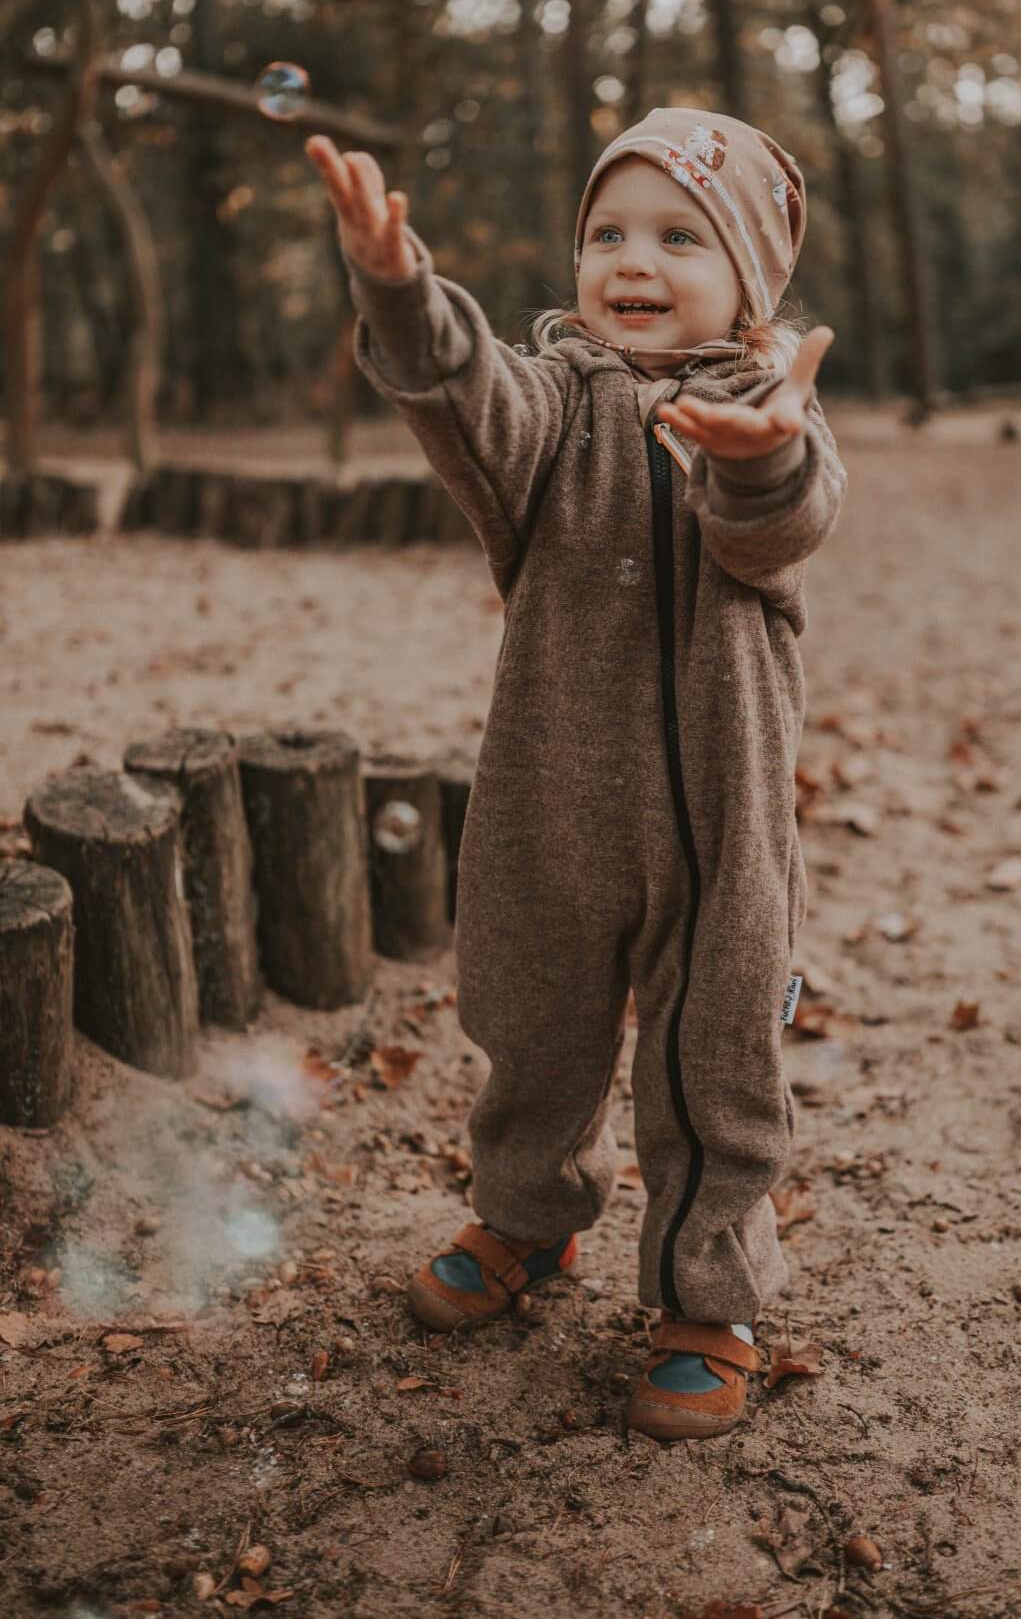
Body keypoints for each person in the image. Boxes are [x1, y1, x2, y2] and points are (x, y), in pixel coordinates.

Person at [305, 107, 847, 1443]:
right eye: (606, 232)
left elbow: (783, 523)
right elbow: (458, 387)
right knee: (532, 1026)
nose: (630, 259)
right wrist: (396, 282)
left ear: (749, 279)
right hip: (549, 806)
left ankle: (705, 1294)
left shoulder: (769, 410)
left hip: (719, 825)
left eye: (677, 234)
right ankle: (528, 1221)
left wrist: (759, 451)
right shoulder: (551, 413)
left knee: (712, 1060)